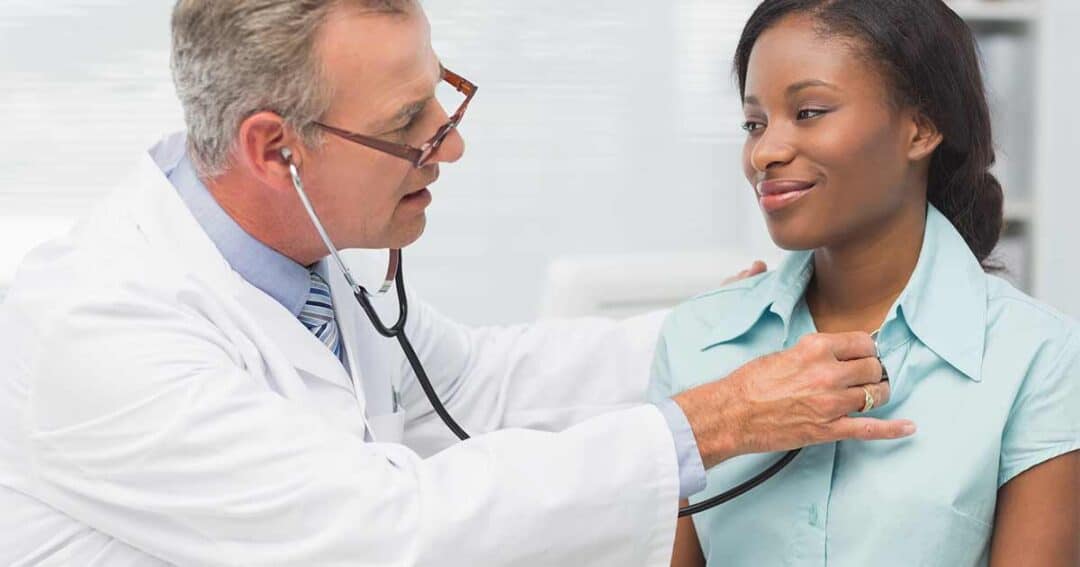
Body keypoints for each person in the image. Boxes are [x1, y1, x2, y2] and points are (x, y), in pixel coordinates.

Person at [0, 1, 911, 565]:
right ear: (275, 149)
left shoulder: (301, 264)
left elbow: (477, 383)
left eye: (442, 94)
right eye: (410, 120)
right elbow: (388, 533)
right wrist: (712, 420)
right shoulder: (100, 331)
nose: (452, 139)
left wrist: (716, 327)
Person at [652, 1, 1080, 565]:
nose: (766, 152)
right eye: (754, 123)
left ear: (921, 128)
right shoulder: (695, 340)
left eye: (808, 112)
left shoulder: (1039, 359)